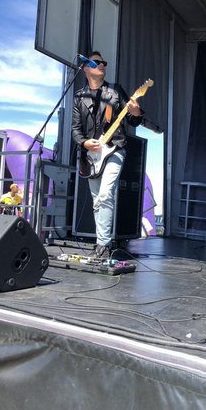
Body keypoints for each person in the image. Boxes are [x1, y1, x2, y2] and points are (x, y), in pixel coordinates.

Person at [71, 51, 143, 259]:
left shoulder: (115, 91)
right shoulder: (79, 97)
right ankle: (100, 243)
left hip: (114, 150)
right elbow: (75, 129)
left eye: (104, 63)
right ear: (86, 69)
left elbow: (132, 119)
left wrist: (136, 112)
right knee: (97, 202)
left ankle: (103, 245)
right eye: (96, 62)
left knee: (105, 195)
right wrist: (84, 142)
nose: (102, 65)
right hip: (91, 157)